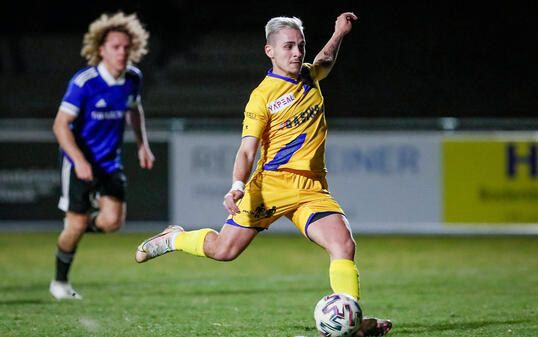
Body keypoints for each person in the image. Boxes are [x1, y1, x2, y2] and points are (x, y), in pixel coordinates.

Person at [136, 12, 391, 336]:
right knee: (224, 251)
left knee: (344, 245)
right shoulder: (262, 98)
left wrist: (338, 33)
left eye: (300, 45)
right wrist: (237, 186)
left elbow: (324, 59)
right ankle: (174, 238)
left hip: (311, 188)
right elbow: (246, 149)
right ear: (270, 51)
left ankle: (351, 323)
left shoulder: (310, 76)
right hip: (270, 186)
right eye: (289, 47)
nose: (297, 53)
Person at [50, 11, 154, 300]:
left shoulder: (133, 78)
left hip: (110, 162)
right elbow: (60, 125)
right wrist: (80, 161)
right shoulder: (84, 82)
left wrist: (143, 144)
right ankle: (60, 283)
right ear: (101, 50)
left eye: (126, 47)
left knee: (112, 223)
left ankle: (78, 225)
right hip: (79, 162)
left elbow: (134, 109)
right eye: (115, 47)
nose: (122, 52)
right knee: (76, 225)